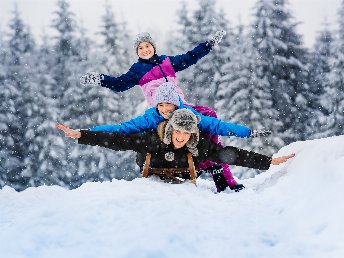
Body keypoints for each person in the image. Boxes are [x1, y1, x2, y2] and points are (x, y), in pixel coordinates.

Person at [85, 82, 271, 191]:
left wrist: (247, 132)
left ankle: (215, 168)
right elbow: (124, 128)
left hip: (184, 150)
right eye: (161, 105)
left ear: (177, 105)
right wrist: (91, 133)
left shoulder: (187, 114)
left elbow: (217, 126)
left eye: (169, 105)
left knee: (210, 120)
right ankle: (214, 168)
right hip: (158, 149)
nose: (165, 109)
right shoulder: (153, 116)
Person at [56, 109, 295, 192]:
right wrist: (82, 135)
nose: (180, 138)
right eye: (177, 132)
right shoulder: (153, 138)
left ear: (192, 133)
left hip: (183, 172)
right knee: (132, 145)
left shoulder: (197, 145)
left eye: (186, 134)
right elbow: (118, 140)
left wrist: (269, 161)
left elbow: (230, 154)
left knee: (215, 161)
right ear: (171, 130)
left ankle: (226, 186)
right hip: (154, 167)